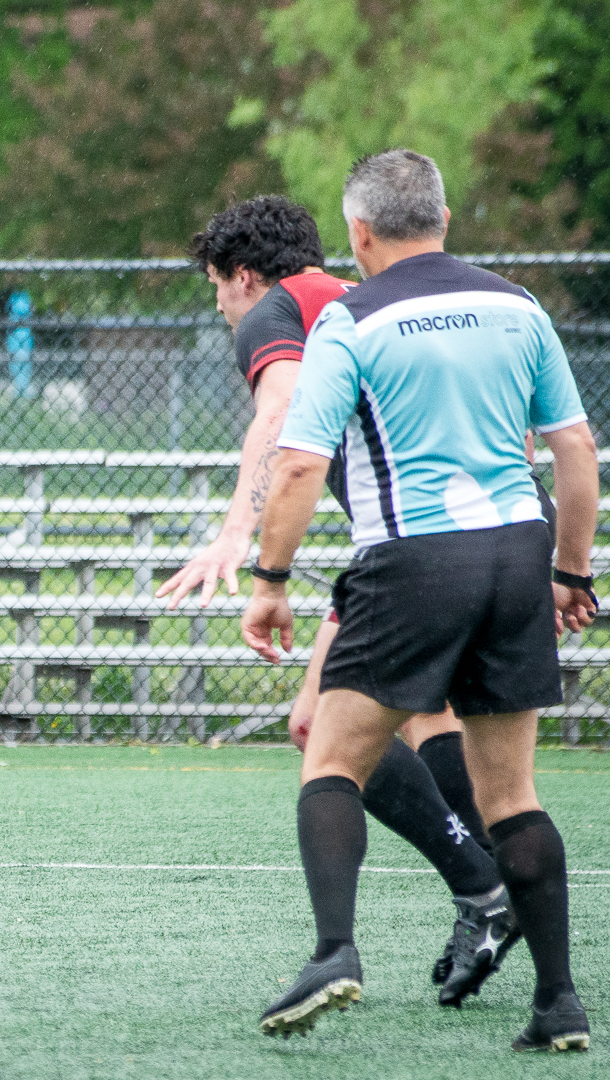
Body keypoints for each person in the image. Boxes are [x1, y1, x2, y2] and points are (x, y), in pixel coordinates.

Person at [242, 150, 597, 1051]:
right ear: (442, 217)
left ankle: (334, 953)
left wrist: (272, 580)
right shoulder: (519, 307)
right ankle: (559, 1003)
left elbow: (298, 464)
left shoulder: (352, 320)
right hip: (518, 555)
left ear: (359, 233)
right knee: (511, 791)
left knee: (329, 756)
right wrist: (571, 573)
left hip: (412, 561)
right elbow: (575, 456)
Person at [160, 195, 527, 1006]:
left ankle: (483, 891)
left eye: (216, 287)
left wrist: (238, 541)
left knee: (317, 728)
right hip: (494, 535)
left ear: (245, 276)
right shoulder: (356, 297)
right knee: (429, 718)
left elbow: (282, 415)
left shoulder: (279, 313)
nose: (219, 306)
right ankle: (496, 889)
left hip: (413, 554)